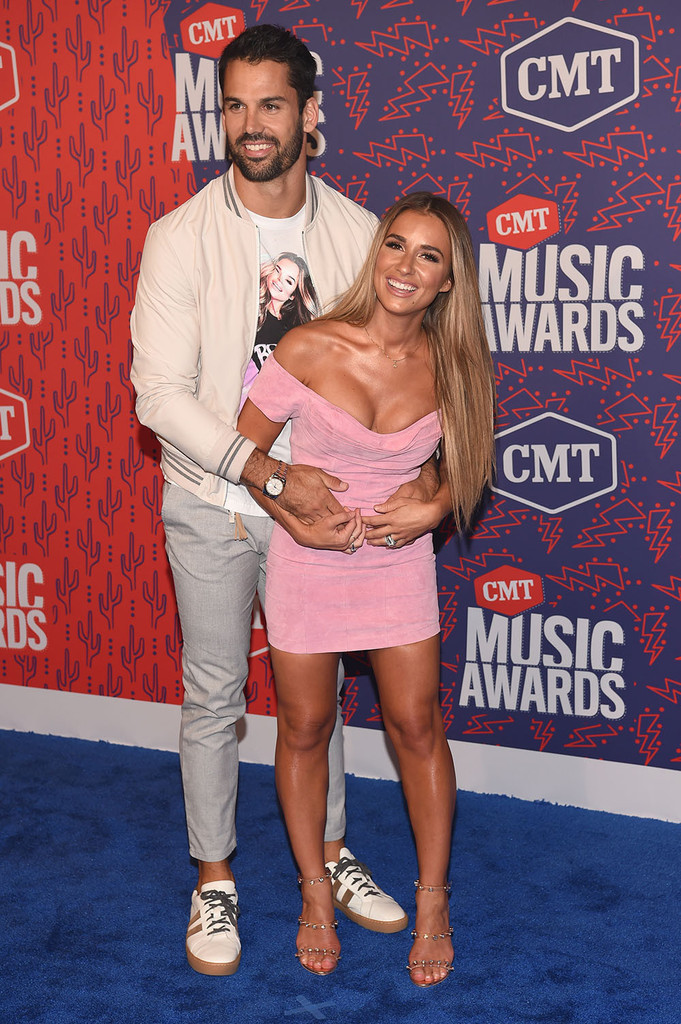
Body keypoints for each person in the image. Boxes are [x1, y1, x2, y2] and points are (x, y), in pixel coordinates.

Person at [130, 25, 447, 977]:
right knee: (214, 695)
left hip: (328, 519)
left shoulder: (359, 233)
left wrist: (426, 493)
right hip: (215, 498)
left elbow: (416, 389)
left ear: (310, 115)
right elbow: (159, 392)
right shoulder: (179, 236)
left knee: (319, 707)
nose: (250, 124)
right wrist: (264, 475)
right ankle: (215, 875)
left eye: (271, 104)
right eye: (233, 104)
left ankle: (333, 857)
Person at [237, 191, 496, 985]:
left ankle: (431, 902)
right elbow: (243, 455)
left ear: (448, 281)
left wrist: (434, 506)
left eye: (427, 257)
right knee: (306, 727)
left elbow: (469, 466)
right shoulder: (308, 345)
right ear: (374, 252)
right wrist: (293, 507)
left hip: (394, 564)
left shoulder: (453, 364)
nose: (404, 267)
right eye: (395, 245)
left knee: (417, 728)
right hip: (308, 559)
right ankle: (315, 891)